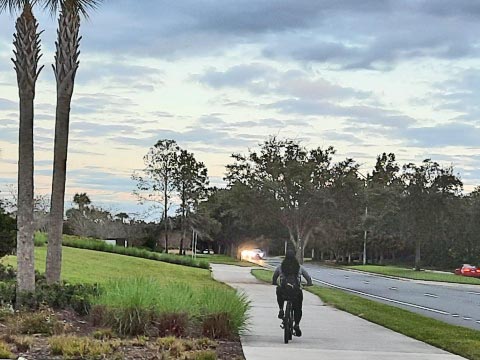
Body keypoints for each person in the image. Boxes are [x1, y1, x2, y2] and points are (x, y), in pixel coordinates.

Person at [272, 250, 313, 337]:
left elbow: (274, 277)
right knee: (298, 308)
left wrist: (275, 282)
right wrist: (309, 283)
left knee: (278, 291)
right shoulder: (299, 267)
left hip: (284, 292)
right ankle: (297, 324)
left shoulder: (280, 267)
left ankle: (281, 309)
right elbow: (308, 278)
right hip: (296, 292)